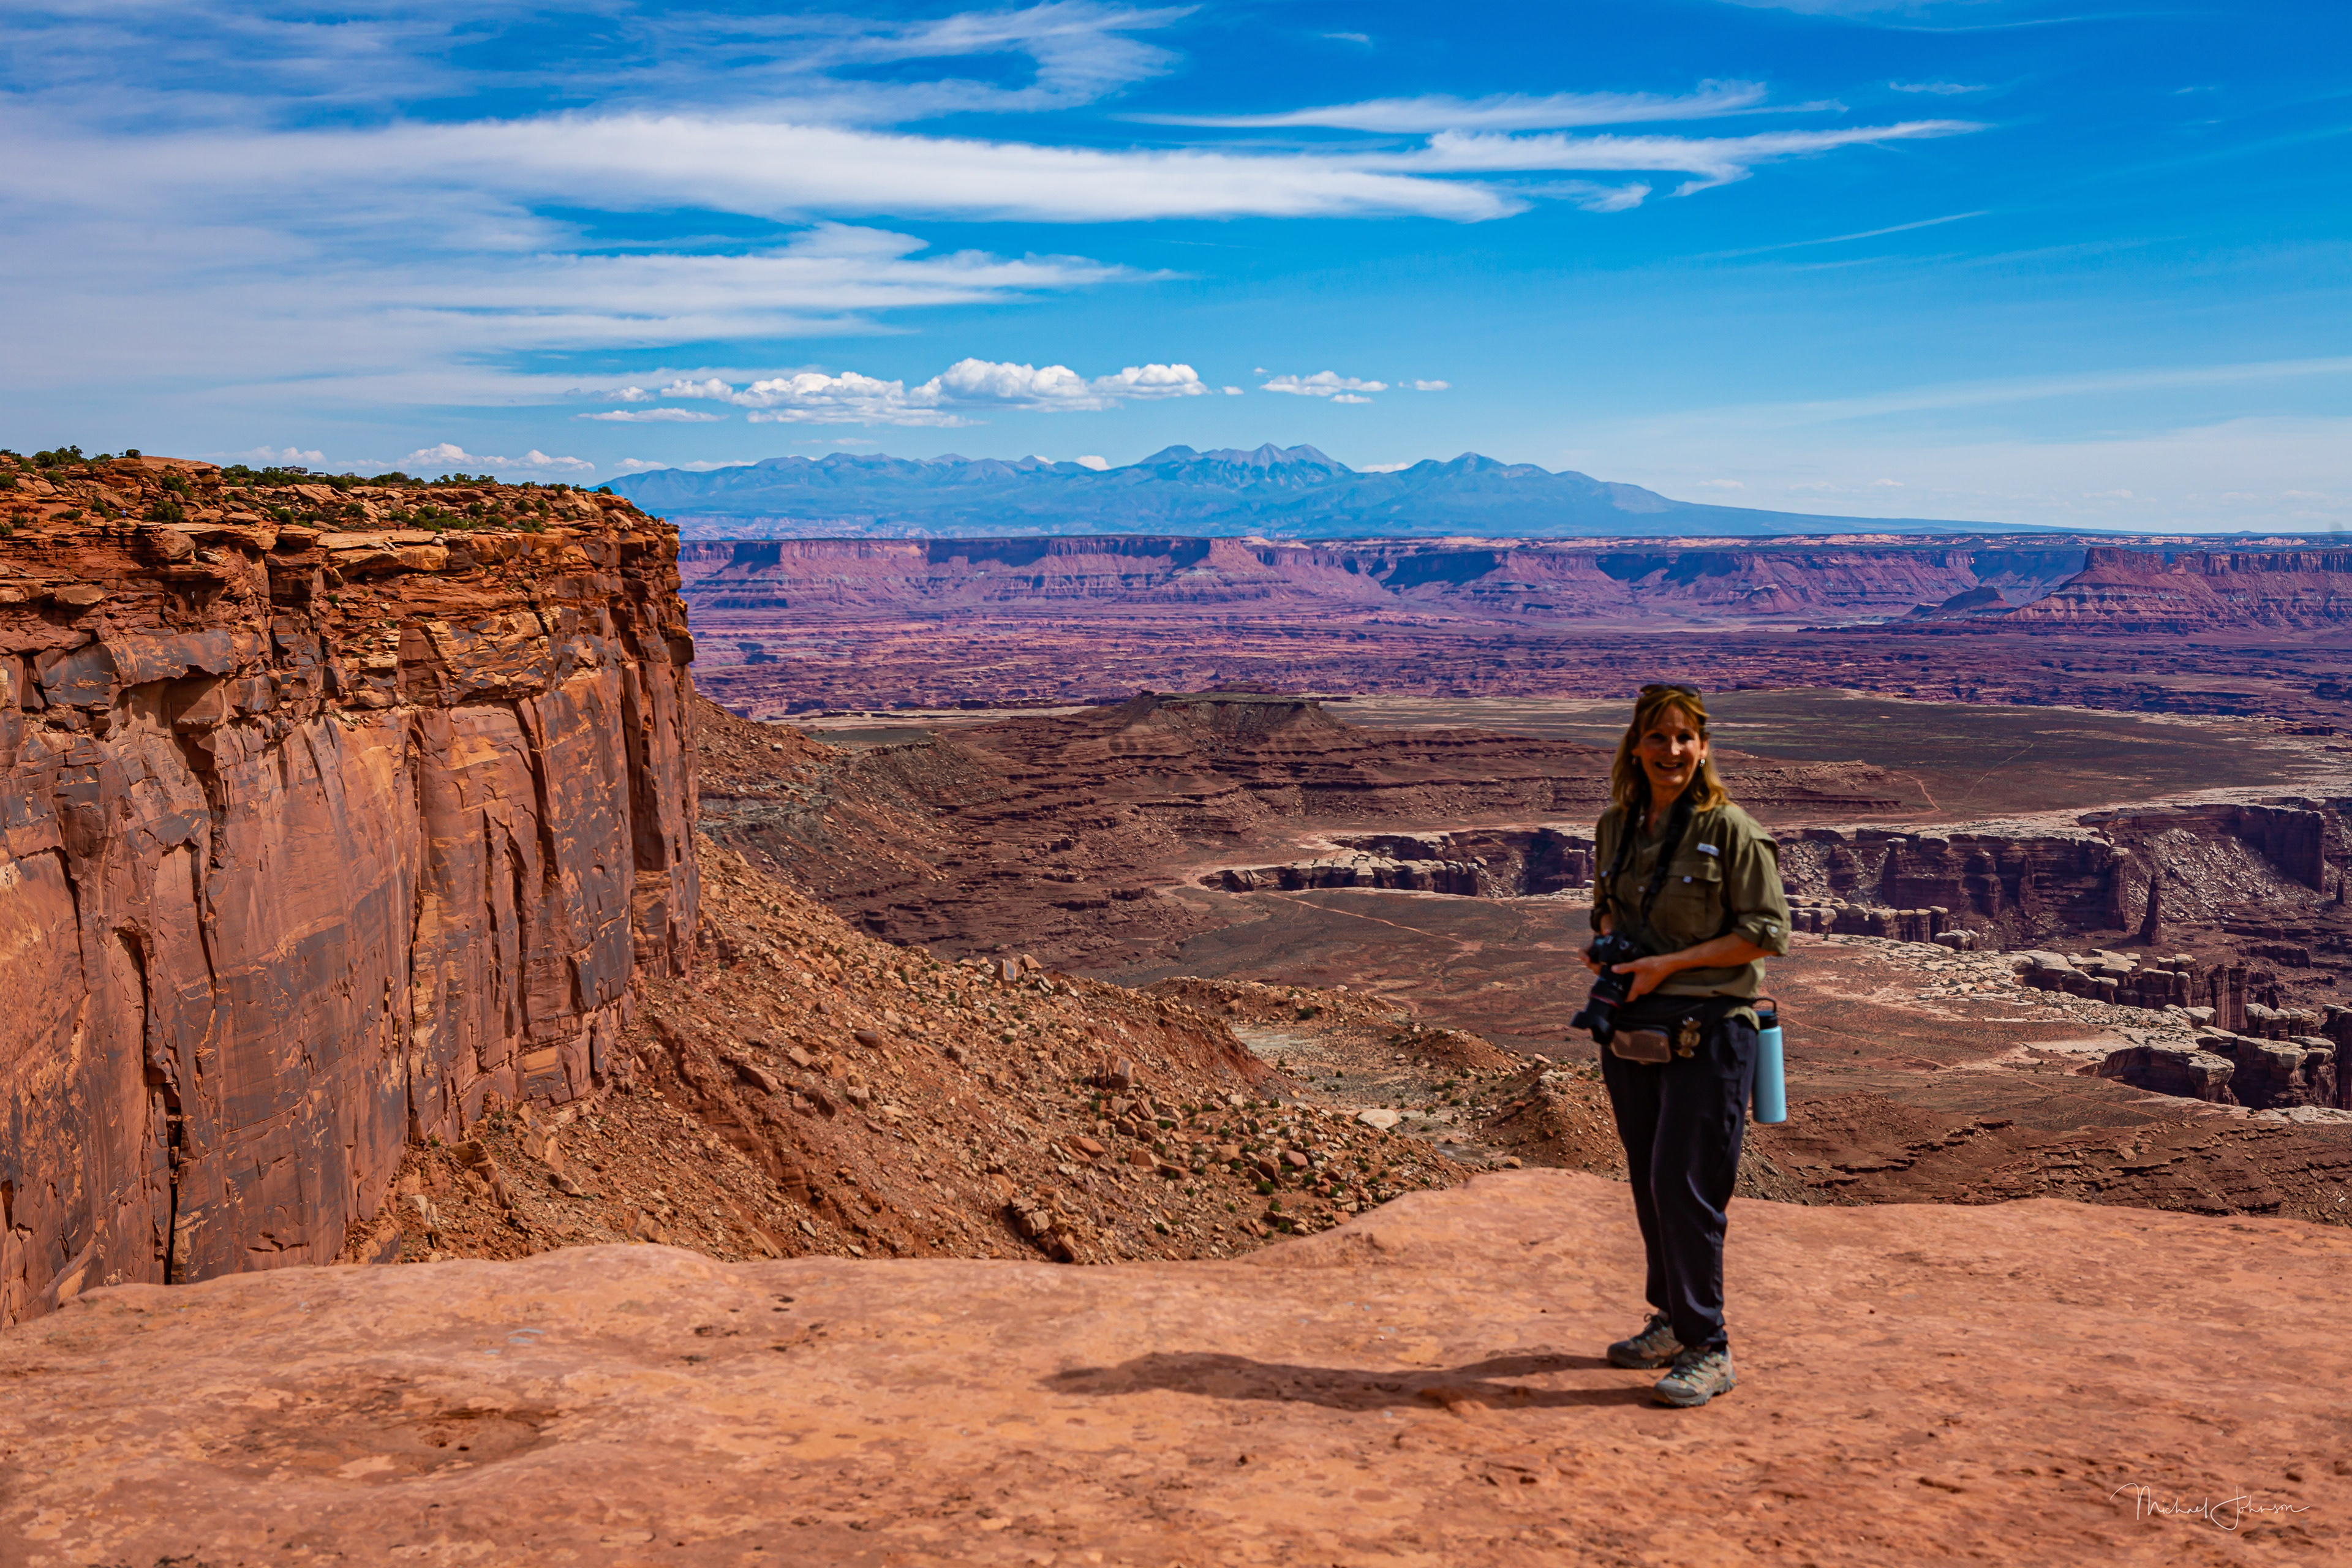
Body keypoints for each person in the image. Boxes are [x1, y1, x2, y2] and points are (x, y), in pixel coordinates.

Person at [1579, 683, 1789, 1408]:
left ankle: (1711, 1345)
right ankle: (1670, 1321)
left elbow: (1767, 932)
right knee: (1647, 1180)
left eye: (1685, 738)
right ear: (1635, 747)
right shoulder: (1617, 826)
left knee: (1686, 1185)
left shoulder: (1732, 830)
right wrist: (1609, 952)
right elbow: (1607, 907)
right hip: (1636, 1030)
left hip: (1709, 1028)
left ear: (1704, 748)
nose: (1672, 751)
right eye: (1658, 737)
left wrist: (1666, 964)